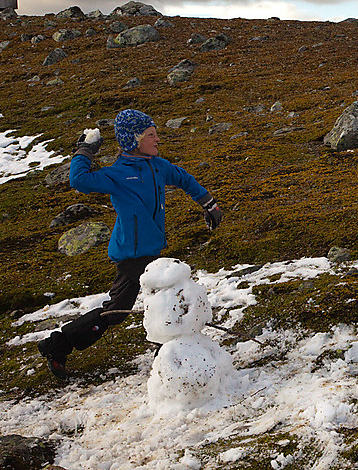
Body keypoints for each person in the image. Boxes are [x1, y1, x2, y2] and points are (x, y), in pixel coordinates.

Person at [37, 109, 223, 380]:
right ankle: (166, 354)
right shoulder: (118, 174)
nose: (158, 139)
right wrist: (85, 151)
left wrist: (209, 204)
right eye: (151, 135)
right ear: (134, 140)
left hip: (151, 251)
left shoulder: (157, 166)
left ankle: (61, 346)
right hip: (132, 255)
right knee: (153, 299)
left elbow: (183, 178)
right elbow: (79, 180)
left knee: (122, 310)